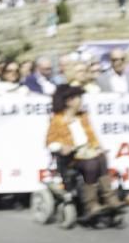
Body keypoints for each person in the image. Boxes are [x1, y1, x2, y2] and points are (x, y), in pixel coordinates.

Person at [46, 85, 124, 221]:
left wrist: (97, 147)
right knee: (91, 163)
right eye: (78, 98)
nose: (81, 101)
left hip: (87, 152)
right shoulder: (57, 120)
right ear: (69, 101)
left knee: (101, 157)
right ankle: (91, 204)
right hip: (70, 157)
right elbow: (50, 141)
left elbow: (92, 136)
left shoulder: (83, 116)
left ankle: (109, 198)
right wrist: (61, 146)